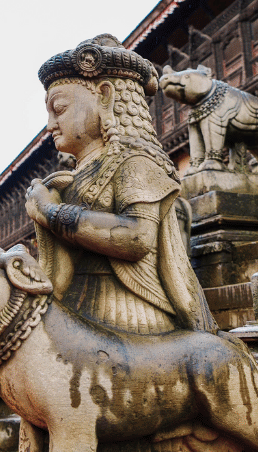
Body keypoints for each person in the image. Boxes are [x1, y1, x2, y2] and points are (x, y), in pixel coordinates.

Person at [26, 34, 216, 335]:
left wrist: (51, 213)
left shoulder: (136, 163)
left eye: (59, 108)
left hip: (130, 315)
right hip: (77, 310)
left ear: (104, 96)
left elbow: (137, 237)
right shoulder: (67, 181)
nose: (50, 125)